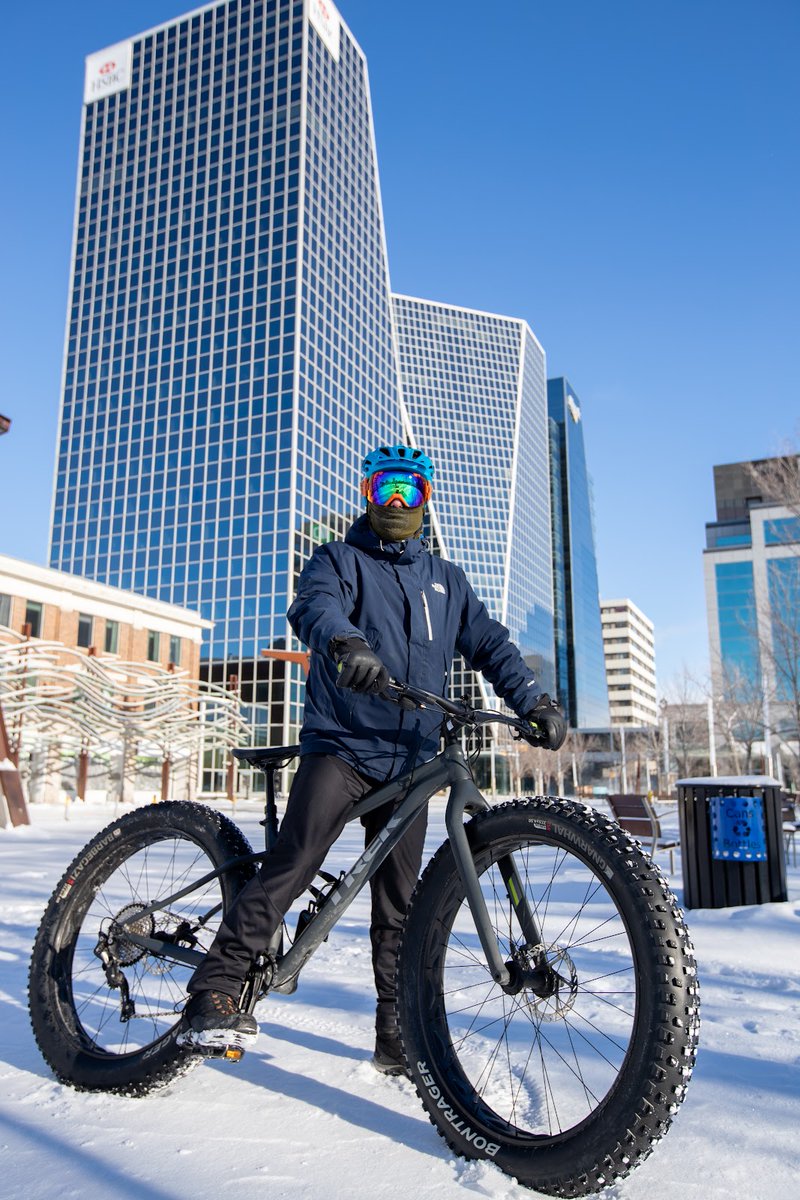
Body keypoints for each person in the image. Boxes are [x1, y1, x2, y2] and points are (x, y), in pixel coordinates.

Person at [181, 443, 566, 1074]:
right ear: (366, 493)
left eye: (408, 491)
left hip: (412, 764)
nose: (395, 501)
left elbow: (491, 645)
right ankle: (215, 987)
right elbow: (313, 607)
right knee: (295, 862)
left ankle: (396, 1035)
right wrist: (347, 643)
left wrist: (532, 701)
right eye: (384, 488)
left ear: (426, 499)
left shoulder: (448, 581)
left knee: (400, 908)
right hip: (344, 744)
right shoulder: (340, 559)